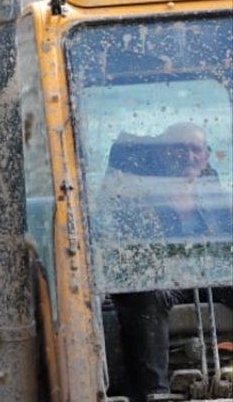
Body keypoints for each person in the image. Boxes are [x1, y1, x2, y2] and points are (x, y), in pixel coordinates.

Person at [110, 121, 228, 402]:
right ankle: (156, 392)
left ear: (206, 156)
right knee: (147, 293)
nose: (189, 156)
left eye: (195, 149)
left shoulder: (220, 200)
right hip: (159, 280)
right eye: (179, 149)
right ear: (162, 154)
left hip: (212, 278)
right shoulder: (135, 200)